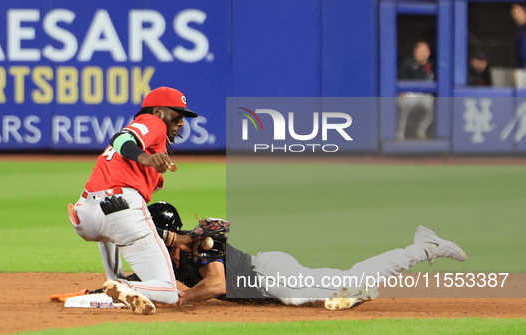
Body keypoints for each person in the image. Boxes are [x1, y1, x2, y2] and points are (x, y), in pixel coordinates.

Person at [128, 202, 468, 311]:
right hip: (267, 286)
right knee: (336, 295)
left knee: (316, 291)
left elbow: (216, 285)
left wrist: (179, 300)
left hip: (271, 275)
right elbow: (143, 282)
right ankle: (352, 293)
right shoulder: (167, 257)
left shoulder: (204, 240)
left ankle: (422, 247)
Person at [68, 87, 198, 315]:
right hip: (120, 209)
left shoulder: (152, 147)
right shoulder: (153, 122)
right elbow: (121, 138)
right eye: (176, 116)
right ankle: (121, 286)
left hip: (86, 215)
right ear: (158, 112)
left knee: (114, 225)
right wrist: (145, 158)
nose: (181, 122)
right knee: (168, 291)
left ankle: (113, 284)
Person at [397, 40, 435, 141]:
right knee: (405, 105)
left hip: (423, 95)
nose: (422, 54)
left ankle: (420, 131)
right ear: (415, 52)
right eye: (420, 51)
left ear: (429, 53)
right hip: (409, 95)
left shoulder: (431, 66)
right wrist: (401, 92)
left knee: (434, 104)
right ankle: (400, 132)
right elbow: (400, 80)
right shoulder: (408, 64)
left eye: (425, 51)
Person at [511, 3, 526, 87]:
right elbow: (518, 52)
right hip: (521, 68)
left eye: (516, 12)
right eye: (513, 13)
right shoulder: (517, 31)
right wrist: (517, 69)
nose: (514, 15)